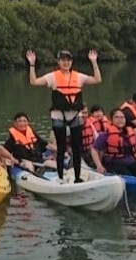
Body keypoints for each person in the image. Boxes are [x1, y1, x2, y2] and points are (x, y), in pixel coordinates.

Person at [26, 48, 102, 183]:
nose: (66, 63)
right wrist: (32, 64)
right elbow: (34, 82)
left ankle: (78, 177)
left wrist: (94, 62)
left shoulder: (78, 76)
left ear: (71, 62)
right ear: (59, 62)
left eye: (68, 60)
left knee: (76, 148)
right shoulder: (52, 76)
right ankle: (61, 177)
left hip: (75, 115)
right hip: (58, 115)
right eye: (63, 60)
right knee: (61, 148)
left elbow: (97, 79)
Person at [90, 108, 136, 177]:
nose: (120, 120)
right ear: (111, 120)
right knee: (128, 175)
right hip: (113, 163)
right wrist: (99, 166)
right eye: (116, 117)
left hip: (131, 162)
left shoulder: (130, 133)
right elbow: (94, 150)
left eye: (122, 117)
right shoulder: (105, 135)